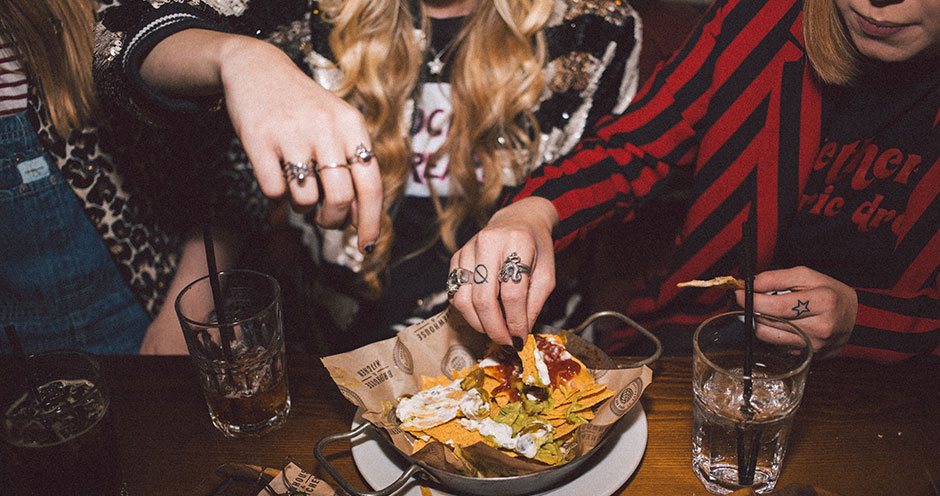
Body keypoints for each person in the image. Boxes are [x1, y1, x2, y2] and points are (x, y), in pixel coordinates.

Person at [96, 0, 643, 352]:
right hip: (349, 344)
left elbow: (609, 189)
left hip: (525, 348)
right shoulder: (312, 12)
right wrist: (238, 58)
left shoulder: (597, 32)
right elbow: (116, 37)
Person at [448, 0, 940, 362]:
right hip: (696, 345)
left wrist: (862, 320)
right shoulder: (759, 19)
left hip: (889, 395)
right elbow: (633, 149)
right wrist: (531, 211)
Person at [0, 0, 265, 355]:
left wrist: (186, 311)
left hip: (150, 312)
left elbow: (230, 171)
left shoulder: (106, 16)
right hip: (15, 350)